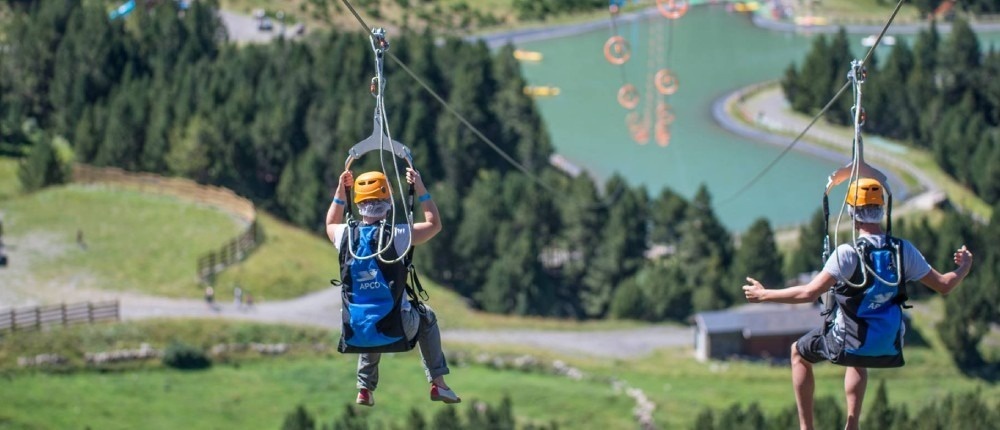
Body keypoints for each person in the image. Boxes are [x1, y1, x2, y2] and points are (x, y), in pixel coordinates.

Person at [741, 177, 974, 430]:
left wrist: (764, 295)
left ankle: (806, 428)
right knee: (858, 357)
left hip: (850, 340)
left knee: (799, 352)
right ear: (882, 210)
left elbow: (808, 293)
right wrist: (964, 267)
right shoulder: (902, 250)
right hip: (888, 343)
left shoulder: (848, 254)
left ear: (852, 213)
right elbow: (944, 285)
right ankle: (852, 424)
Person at [325, 168, 460, 407]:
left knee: (369, 316)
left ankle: (364, 388)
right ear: (388, 202)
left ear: (358, 203)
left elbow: (330, 222)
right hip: (399, 327)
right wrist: (419, 186)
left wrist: (340, 191)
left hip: (355, 330)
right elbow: (434, 224)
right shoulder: (398, 235)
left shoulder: (345, 235)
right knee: (426, 316)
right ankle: (438, 383)